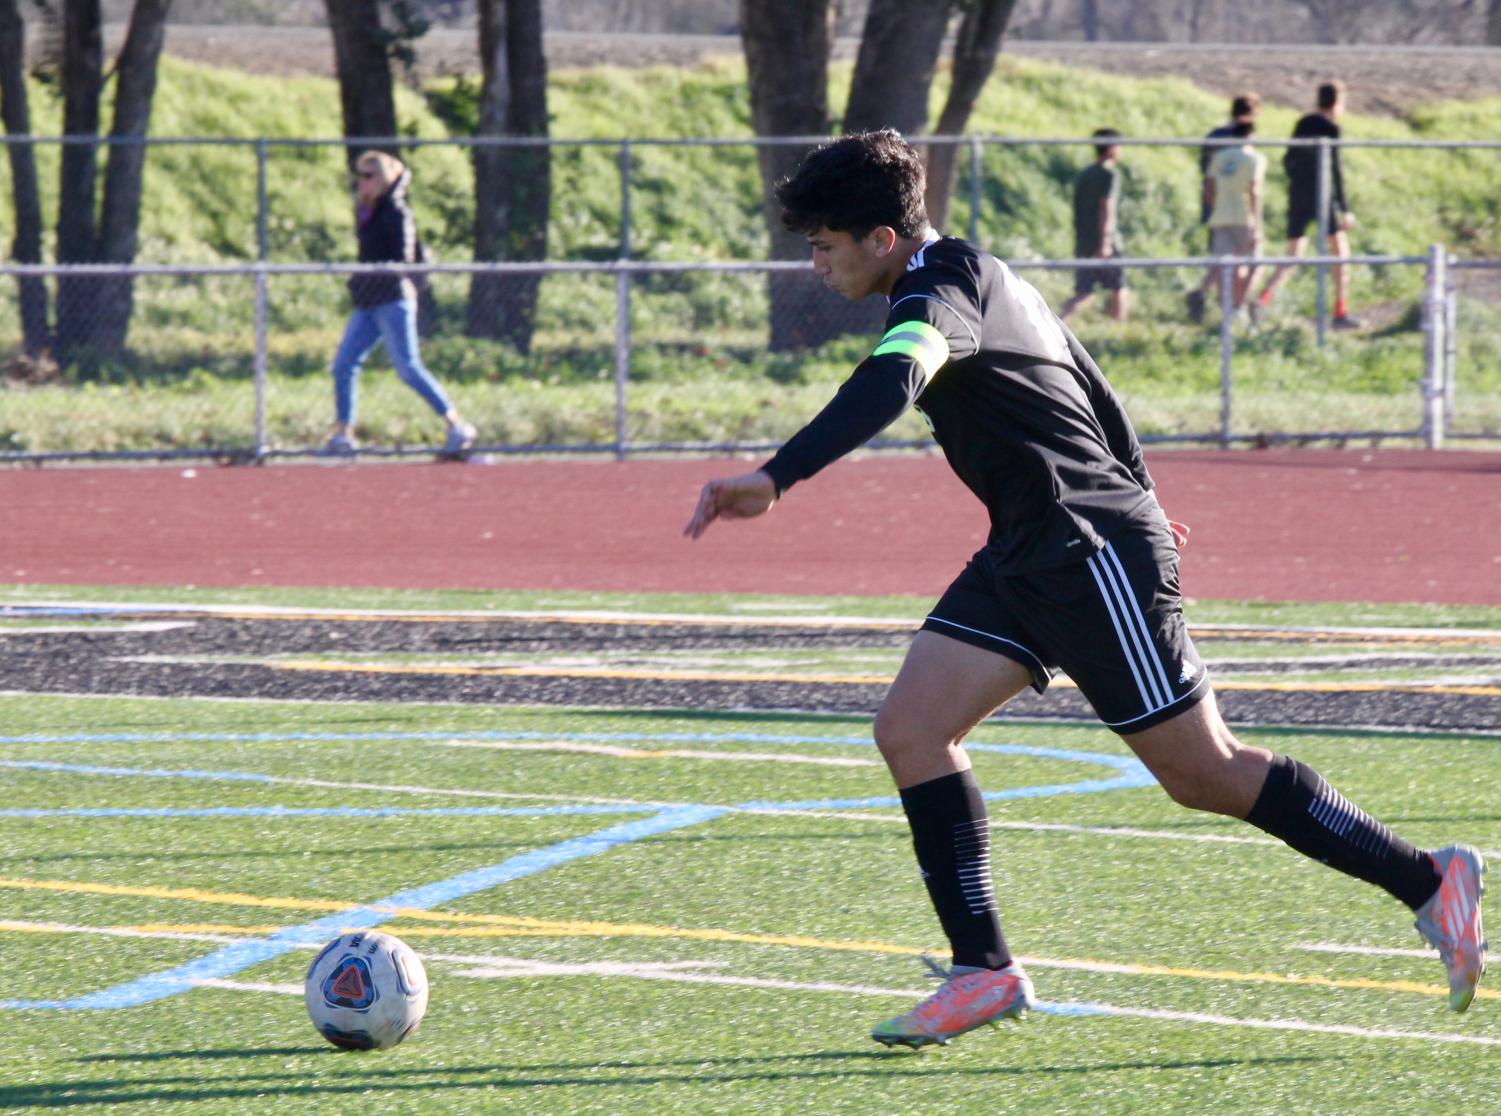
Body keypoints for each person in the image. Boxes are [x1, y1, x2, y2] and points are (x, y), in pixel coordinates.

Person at [684, 129, 1484, 1050]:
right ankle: (983, 970)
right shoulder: (983, 273)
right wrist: (1141, 491)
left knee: (1203, 774)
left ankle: (1428, 881)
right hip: (1034, 549)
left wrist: (777, 475)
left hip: (1088, 549)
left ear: (879, 237)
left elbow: (896, 376)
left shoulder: (937, 293)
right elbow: (1092, 383)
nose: (815, 263)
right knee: (910, 728)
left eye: (824, 244)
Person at [324, 150, 477, 457]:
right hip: (369, 300)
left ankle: (456, 425)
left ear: (383, 179)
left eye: (369, 175)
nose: (362, 182)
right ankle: (344, 434)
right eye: (360, 175)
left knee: (407, 367)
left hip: (393, 299)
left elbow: (403, 257)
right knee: (343, 365)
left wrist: (378, 272)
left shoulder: (395, 210)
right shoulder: (368, 210)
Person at [1255, 81, 1361, 328]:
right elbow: (1334, 169)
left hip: (1298, 193)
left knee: (1293, 255)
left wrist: (1298, 183)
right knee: (1341, 254)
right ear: (1336, 102)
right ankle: (1340, 312)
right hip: (1321, 196)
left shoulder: (1302, 123)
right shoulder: (1331, 128)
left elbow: (1288, 159)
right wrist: (1345, 208)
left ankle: (1261, 301)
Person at [1187, 93, 1260, 323]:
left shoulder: (1214, 136)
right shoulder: (1244, 142)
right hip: (1237, 207)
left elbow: (1205, 172)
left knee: (1223, 258)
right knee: (1239, 260)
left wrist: (1212, 202)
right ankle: (1233, 307)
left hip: (1215, 205)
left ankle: (1218, 303)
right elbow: (1252, 184)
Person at [1198, 120, 1266, 321]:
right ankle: (1237, 306)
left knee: (1223, 264)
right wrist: (1258, 225)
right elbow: (1254, 191)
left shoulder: (1219, 157)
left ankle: (1202, 295)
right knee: (1255, 263)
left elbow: (1208, 186)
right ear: (1251, 136)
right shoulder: (1254, 158)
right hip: (1243, 216)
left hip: (1220, 216)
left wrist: (1216, 204)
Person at [1058, 129, 1127, 323]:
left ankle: (1056, 323)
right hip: (1105, 241)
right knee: (1119, 288)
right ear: (1112, 148)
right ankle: (1120, 333)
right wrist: (1106, 241)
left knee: (1084, 292)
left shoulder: (1085, 174)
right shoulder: (1109, 174)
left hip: (1084, 240)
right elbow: (1107, 207)